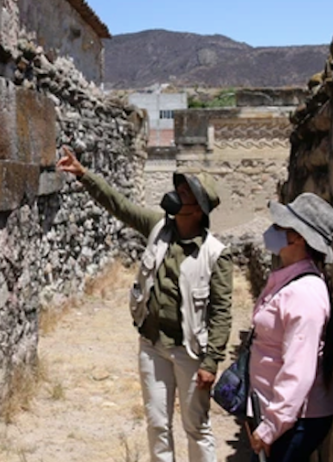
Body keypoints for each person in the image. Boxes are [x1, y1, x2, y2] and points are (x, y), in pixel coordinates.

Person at [57, 146, 233, 462]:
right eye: (177, 188)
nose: (175, 193)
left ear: (198, 209)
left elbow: (221, 312)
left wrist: (211, 362)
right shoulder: (157, 227)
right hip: (152, 345)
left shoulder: (216, 254)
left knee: (196, 427)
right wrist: (84, 175)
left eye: (184, 192)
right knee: (157, 425)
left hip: (189, 351)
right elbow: (119, 205)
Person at [248, 193, 333, 462]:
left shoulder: (304, 293)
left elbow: (298, 370)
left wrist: (270, 427)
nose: (271, 231)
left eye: (280, 226)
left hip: (293, 421)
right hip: (282, 416)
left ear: (298, 237)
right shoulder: (292, 281)